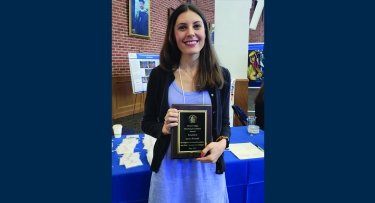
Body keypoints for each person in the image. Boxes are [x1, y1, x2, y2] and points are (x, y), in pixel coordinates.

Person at [141, 3, 231, 203]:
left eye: (197, 26)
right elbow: (146, 122)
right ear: (173, 35)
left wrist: (222, 145)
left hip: (207, 171)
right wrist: (163, 129)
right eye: (182, 27)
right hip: (169, 173)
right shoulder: (159, 76)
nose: (190, 33)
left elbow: (225, 123)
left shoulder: (221, 76)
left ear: (205, 32)